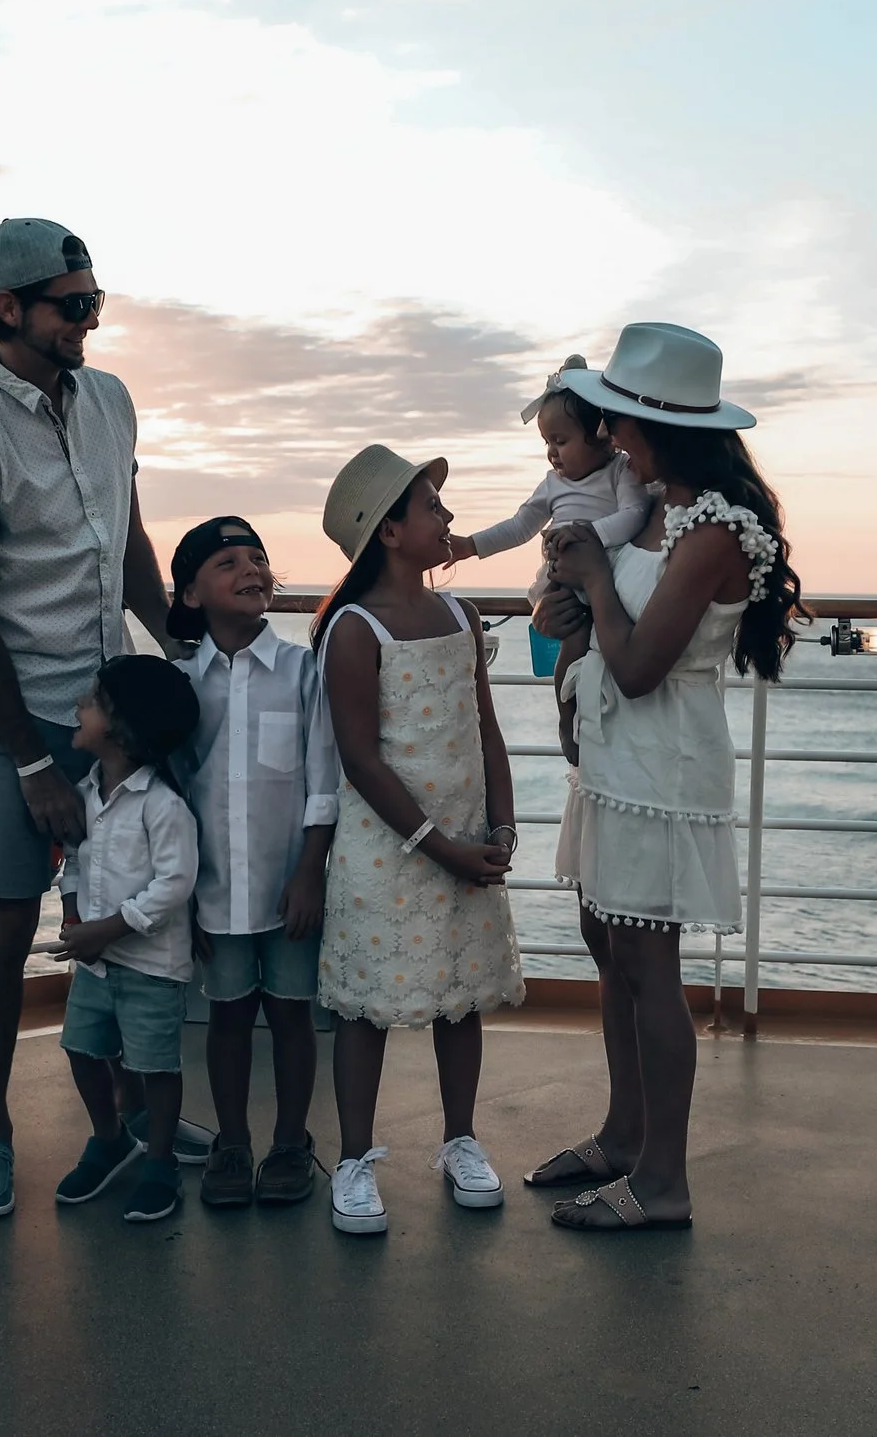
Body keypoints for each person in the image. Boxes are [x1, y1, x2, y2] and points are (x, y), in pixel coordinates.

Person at [0, 217, 180, 1221]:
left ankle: (146, 1114)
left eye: (96, 301)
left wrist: (181, 642)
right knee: (6, 927)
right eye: (73, 305)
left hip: (119, 706)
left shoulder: (110, 400)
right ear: (6, 309)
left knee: (150, 920)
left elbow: (131, 541)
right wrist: (30, 764)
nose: (90, 321)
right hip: (17, 714)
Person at [525, 322, 802, 1232]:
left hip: (664, 766)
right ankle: (622, 1135)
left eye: (617, 420)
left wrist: (597, 581)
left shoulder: (719, 528)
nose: (607, 436)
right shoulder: (644, 499)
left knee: (649, 962)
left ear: (654, 426)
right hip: (609, 758)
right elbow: (602, 628)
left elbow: (643, 663)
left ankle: (664, 1181)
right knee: (609, 948)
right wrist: (568, 598)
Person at [312, 446, 526, 1235]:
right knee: (367, 1007)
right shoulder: (353, 629)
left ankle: (460, 1137)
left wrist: (499, 825)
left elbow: (485, 732)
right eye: (433, 507)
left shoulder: (462, 617)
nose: (449, 520)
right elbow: (360, 759)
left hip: (463, 839)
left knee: (458, 995)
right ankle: (355, 1157)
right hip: (389, 849)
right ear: (391, 531)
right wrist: (441, 845)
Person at [166, 516, 339, 1209]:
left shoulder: (304, 669)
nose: (250, 569)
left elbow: (324, 776)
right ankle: (232, 1141)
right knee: (228, 1016)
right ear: (189, 595)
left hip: (288, 883)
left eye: (257, 558)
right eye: (228, 562)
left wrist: (311, 871)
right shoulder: (181, 685)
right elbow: (171, 791)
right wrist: (180, 894)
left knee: (293, 1014)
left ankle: (292, 1140)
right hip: (214, 889)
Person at [50, 655, 204, 1223]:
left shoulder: (162, 806)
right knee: (81, 1049)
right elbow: (72, 860)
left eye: (90, 702)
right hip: (93, 965)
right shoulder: (83, 794)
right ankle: (109, 1137)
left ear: (117, 726)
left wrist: (106, 930)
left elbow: (174, 884)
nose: (78, 709)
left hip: (150, 966)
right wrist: (73, 917)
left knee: (156, 1067)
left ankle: (159, 1161)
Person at [445, 352, 654, 659]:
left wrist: (588, 535)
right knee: (573, 644)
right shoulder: (553, 484)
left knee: (600, 644)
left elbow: (635, 515)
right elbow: (521, 526)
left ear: (602, 438)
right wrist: (471, 546)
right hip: (564, 580)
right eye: (547, 442)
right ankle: (568, 706)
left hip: (609, 575)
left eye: (561, 441)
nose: (552, 453)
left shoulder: (621, 471)